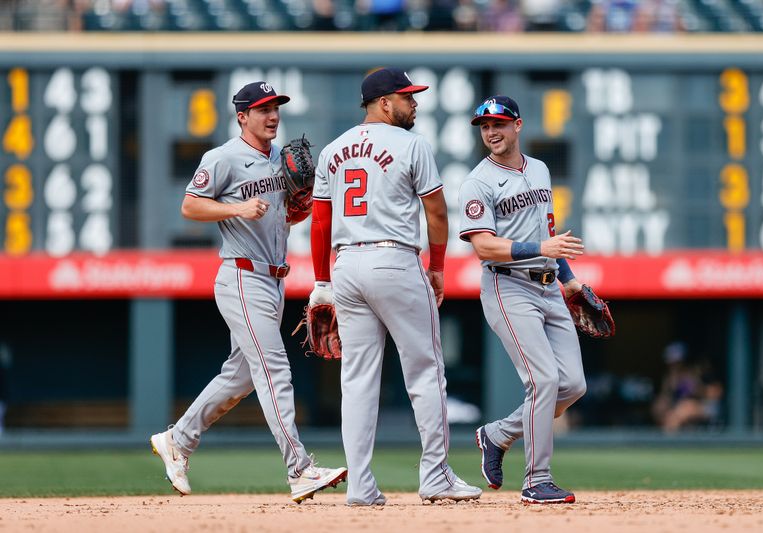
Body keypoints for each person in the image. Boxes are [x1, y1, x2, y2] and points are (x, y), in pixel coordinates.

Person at [150, 81, 346, 503]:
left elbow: (283, 218)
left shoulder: (281, 159)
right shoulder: (222, 158)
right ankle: (300, 469)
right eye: (262, 110)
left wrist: (298, 209)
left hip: (274, 278)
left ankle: (178, 439)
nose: (272, 115)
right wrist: (235, 207)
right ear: (242, 116)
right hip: (240, 275)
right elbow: (190, 205)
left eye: (275, 108)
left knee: (239, 378)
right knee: (275, 370)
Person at [309, 67, 482, 505]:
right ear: (384, 103)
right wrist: (438, 266)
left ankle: (360, 486)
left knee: (358, 381)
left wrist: (321, 282)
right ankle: (436, 475)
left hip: (346, 265)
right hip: (394, 260)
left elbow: (321, 222)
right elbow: (438, 214)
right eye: (407, 97)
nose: (414, 103)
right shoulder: (412, 144)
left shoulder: (333, 150)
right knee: (425, 371)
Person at [460, 95, 588, 504]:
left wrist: (568, 280)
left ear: (518, 125)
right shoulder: (477, 182)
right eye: (484, 126)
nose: (491, 132)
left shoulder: (540, 169)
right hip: (507, 285)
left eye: (498, 123)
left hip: (550, 285)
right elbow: (484, 247)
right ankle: (536, 480)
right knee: (544, 380)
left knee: (572, 385)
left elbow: (548, 230)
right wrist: (543, 249)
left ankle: (497, 435)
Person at [651, 342, 723, 433]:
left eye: (676, 362)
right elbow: (666, 396)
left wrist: (697, 389)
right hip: (679, 408)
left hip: (705, 407)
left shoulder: (696, 371)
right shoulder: (669, 377)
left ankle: (669, 442)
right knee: (662, 410)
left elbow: (715, 393)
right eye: (670, 362)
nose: (673, 365)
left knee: (682, 410)